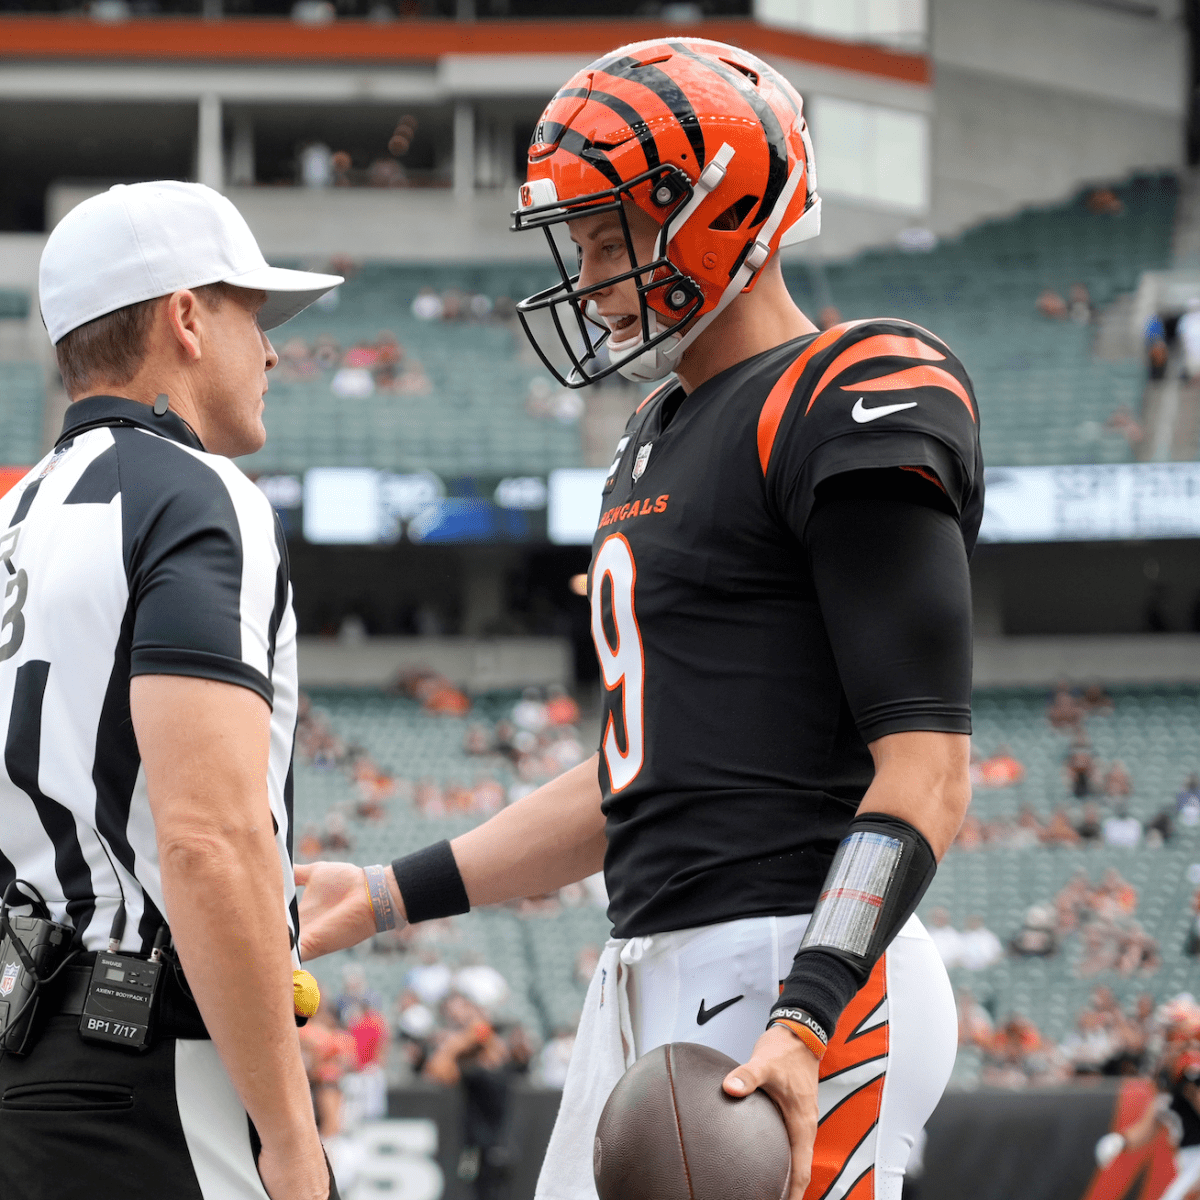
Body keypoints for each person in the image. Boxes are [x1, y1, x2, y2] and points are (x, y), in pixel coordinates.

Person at [297, 37, 979, 1200]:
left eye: (613, 234)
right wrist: (384, 893)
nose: (593, 270)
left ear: (721, 203)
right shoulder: (657, 432)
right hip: (655, 967)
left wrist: (809, 1014)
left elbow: (926, 769)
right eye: (583, 239)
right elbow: (638, 776)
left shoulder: (846, 390)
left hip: (791, 963)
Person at [0, 182, 342, 1199]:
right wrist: (287, 1134)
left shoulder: (17, 515)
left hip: (28, 1044)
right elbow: (207, 838)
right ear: (186, 316)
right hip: (146, 1068)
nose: (272, 351)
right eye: (252, 313)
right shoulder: (196, 495)